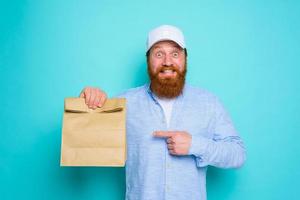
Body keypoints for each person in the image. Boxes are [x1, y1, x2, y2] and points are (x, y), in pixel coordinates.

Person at [79, 25, 246, 200]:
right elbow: (84, 139)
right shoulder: (124, 103)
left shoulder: (209, 103)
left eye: (175, 53)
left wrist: (195, 145)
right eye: (159, 54)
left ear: (185, 58)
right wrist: (87, 103)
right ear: (148, 60)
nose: (167, 61)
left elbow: (238, 154)